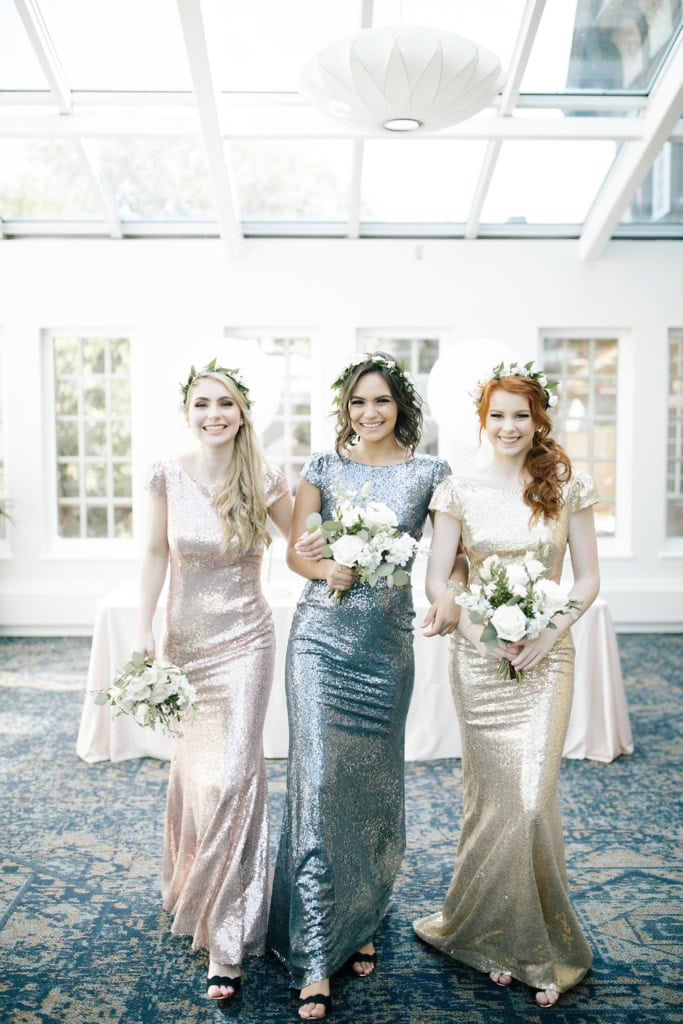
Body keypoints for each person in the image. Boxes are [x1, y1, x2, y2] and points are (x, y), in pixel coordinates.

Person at [267, 352, 467, 1020]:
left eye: (380, 401)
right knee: (319, 782)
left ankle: (363, 913)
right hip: (320, 641)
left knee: (373, 789)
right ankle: (315, 950)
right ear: (344, 409)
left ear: (399, 406)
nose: (368, 413)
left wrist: (449, 598)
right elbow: (297, 548)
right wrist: (323, 570)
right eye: (357, 402)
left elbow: (447, 560)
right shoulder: (322, 468)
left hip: (385, 649)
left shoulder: (429, 473)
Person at [413, 362, 600, 1008]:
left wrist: (549, 633)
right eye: (498, 415)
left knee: (530, 799)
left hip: (547, 658)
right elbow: (439, 581)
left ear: (538, 419)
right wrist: (483, 637)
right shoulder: (456, 490)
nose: (509, 426)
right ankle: (490, 936)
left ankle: (531, 944)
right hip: (481, 659)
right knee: (493, 801)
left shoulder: (563, 485)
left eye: (521, 415)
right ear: (482, 420)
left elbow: (584, 580)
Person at [136, 360, 321, 1002]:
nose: (214, 414)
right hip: (186, 644)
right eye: (202, 404)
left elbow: (303, 543)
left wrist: (351, 569)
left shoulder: (263, 476)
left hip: (245, 642)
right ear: (188, 412)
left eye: (226, 404)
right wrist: (144, 631)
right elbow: (156, 554)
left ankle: (227, 936)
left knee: (236, 775)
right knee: (198, 775)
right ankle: (196, 884)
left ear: (243, 412)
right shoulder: (165, 473)